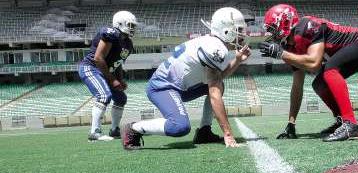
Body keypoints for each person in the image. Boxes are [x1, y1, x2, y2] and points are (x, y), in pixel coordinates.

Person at [121, 7, 250, 150]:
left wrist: (237, 60)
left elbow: (217, 79)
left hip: (180, 87)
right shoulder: (216, 49)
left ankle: (204, 132)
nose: (242, 35)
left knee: (220, 85)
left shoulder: (211, 43)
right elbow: (214, 92)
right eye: (238, 30)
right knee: (180, 126)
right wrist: (228, 134)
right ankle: (134, 128)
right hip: (162, 87)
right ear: (226, 31)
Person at [260, 4, 358, 142]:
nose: (271, 34)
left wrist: (281, 54)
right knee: (319, 84)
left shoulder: (306, 25)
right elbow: (297, 86)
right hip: (357, 47)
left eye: (273, 29)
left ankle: (351, 125)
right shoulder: (290, 46)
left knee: (330, 70)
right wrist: (291, 123)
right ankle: (342, 120)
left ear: (285, 22)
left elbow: (313, 63)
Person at [79, 11, 137, 141]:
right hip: (91, 67)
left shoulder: (128, 43)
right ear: (120, 23)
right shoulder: (111, 33)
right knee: (104, 95)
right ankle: (94, 132)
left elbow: (118, 63)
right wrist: (113, 80)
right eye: (130, 25)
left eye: (134, 26)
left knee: (121, 98)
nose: (132, 28)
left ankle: (115, 130)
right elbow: (98, 58)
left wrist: (120, 79)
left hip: (106, 71)